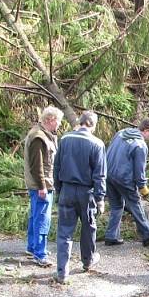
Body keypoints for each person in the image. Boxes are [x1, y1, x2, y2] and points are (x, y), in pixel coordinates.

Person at [53, 110, 107, 284]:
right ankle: (87, 261)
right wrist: (100, 198)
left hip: (67, 189)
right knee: (88, 227)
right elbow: (100, 175)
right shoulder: (97, 144)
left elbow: (57, 167)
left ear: (80, 122)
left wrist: (58, 189)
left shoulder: (65, 139)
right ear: (93, 125)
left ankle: (62, 271)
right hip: (86, 192)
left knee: (64, 232)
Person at [104, 117, 149, 246]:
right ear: (145, 130)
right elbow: (139, 170)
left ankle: (111, 235)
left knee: (117, 205)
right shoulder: (140, 145)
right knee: (135, 203)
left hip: (108, 174)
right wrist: (142, 187)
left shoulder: (121, 133)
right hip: (124, 178)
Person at [23, 106, 63, 267]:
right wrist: (42, 186)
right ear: (50, 120)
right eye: (58, 121)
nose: (59, 124)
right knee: (42, 218)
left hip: (41, 183)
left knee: (35, 215)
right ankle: (40, 254)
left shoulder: (43, 134)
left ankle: (32, 247)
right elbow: (37, 165)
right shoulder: (39, 137)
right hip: (42, 184)